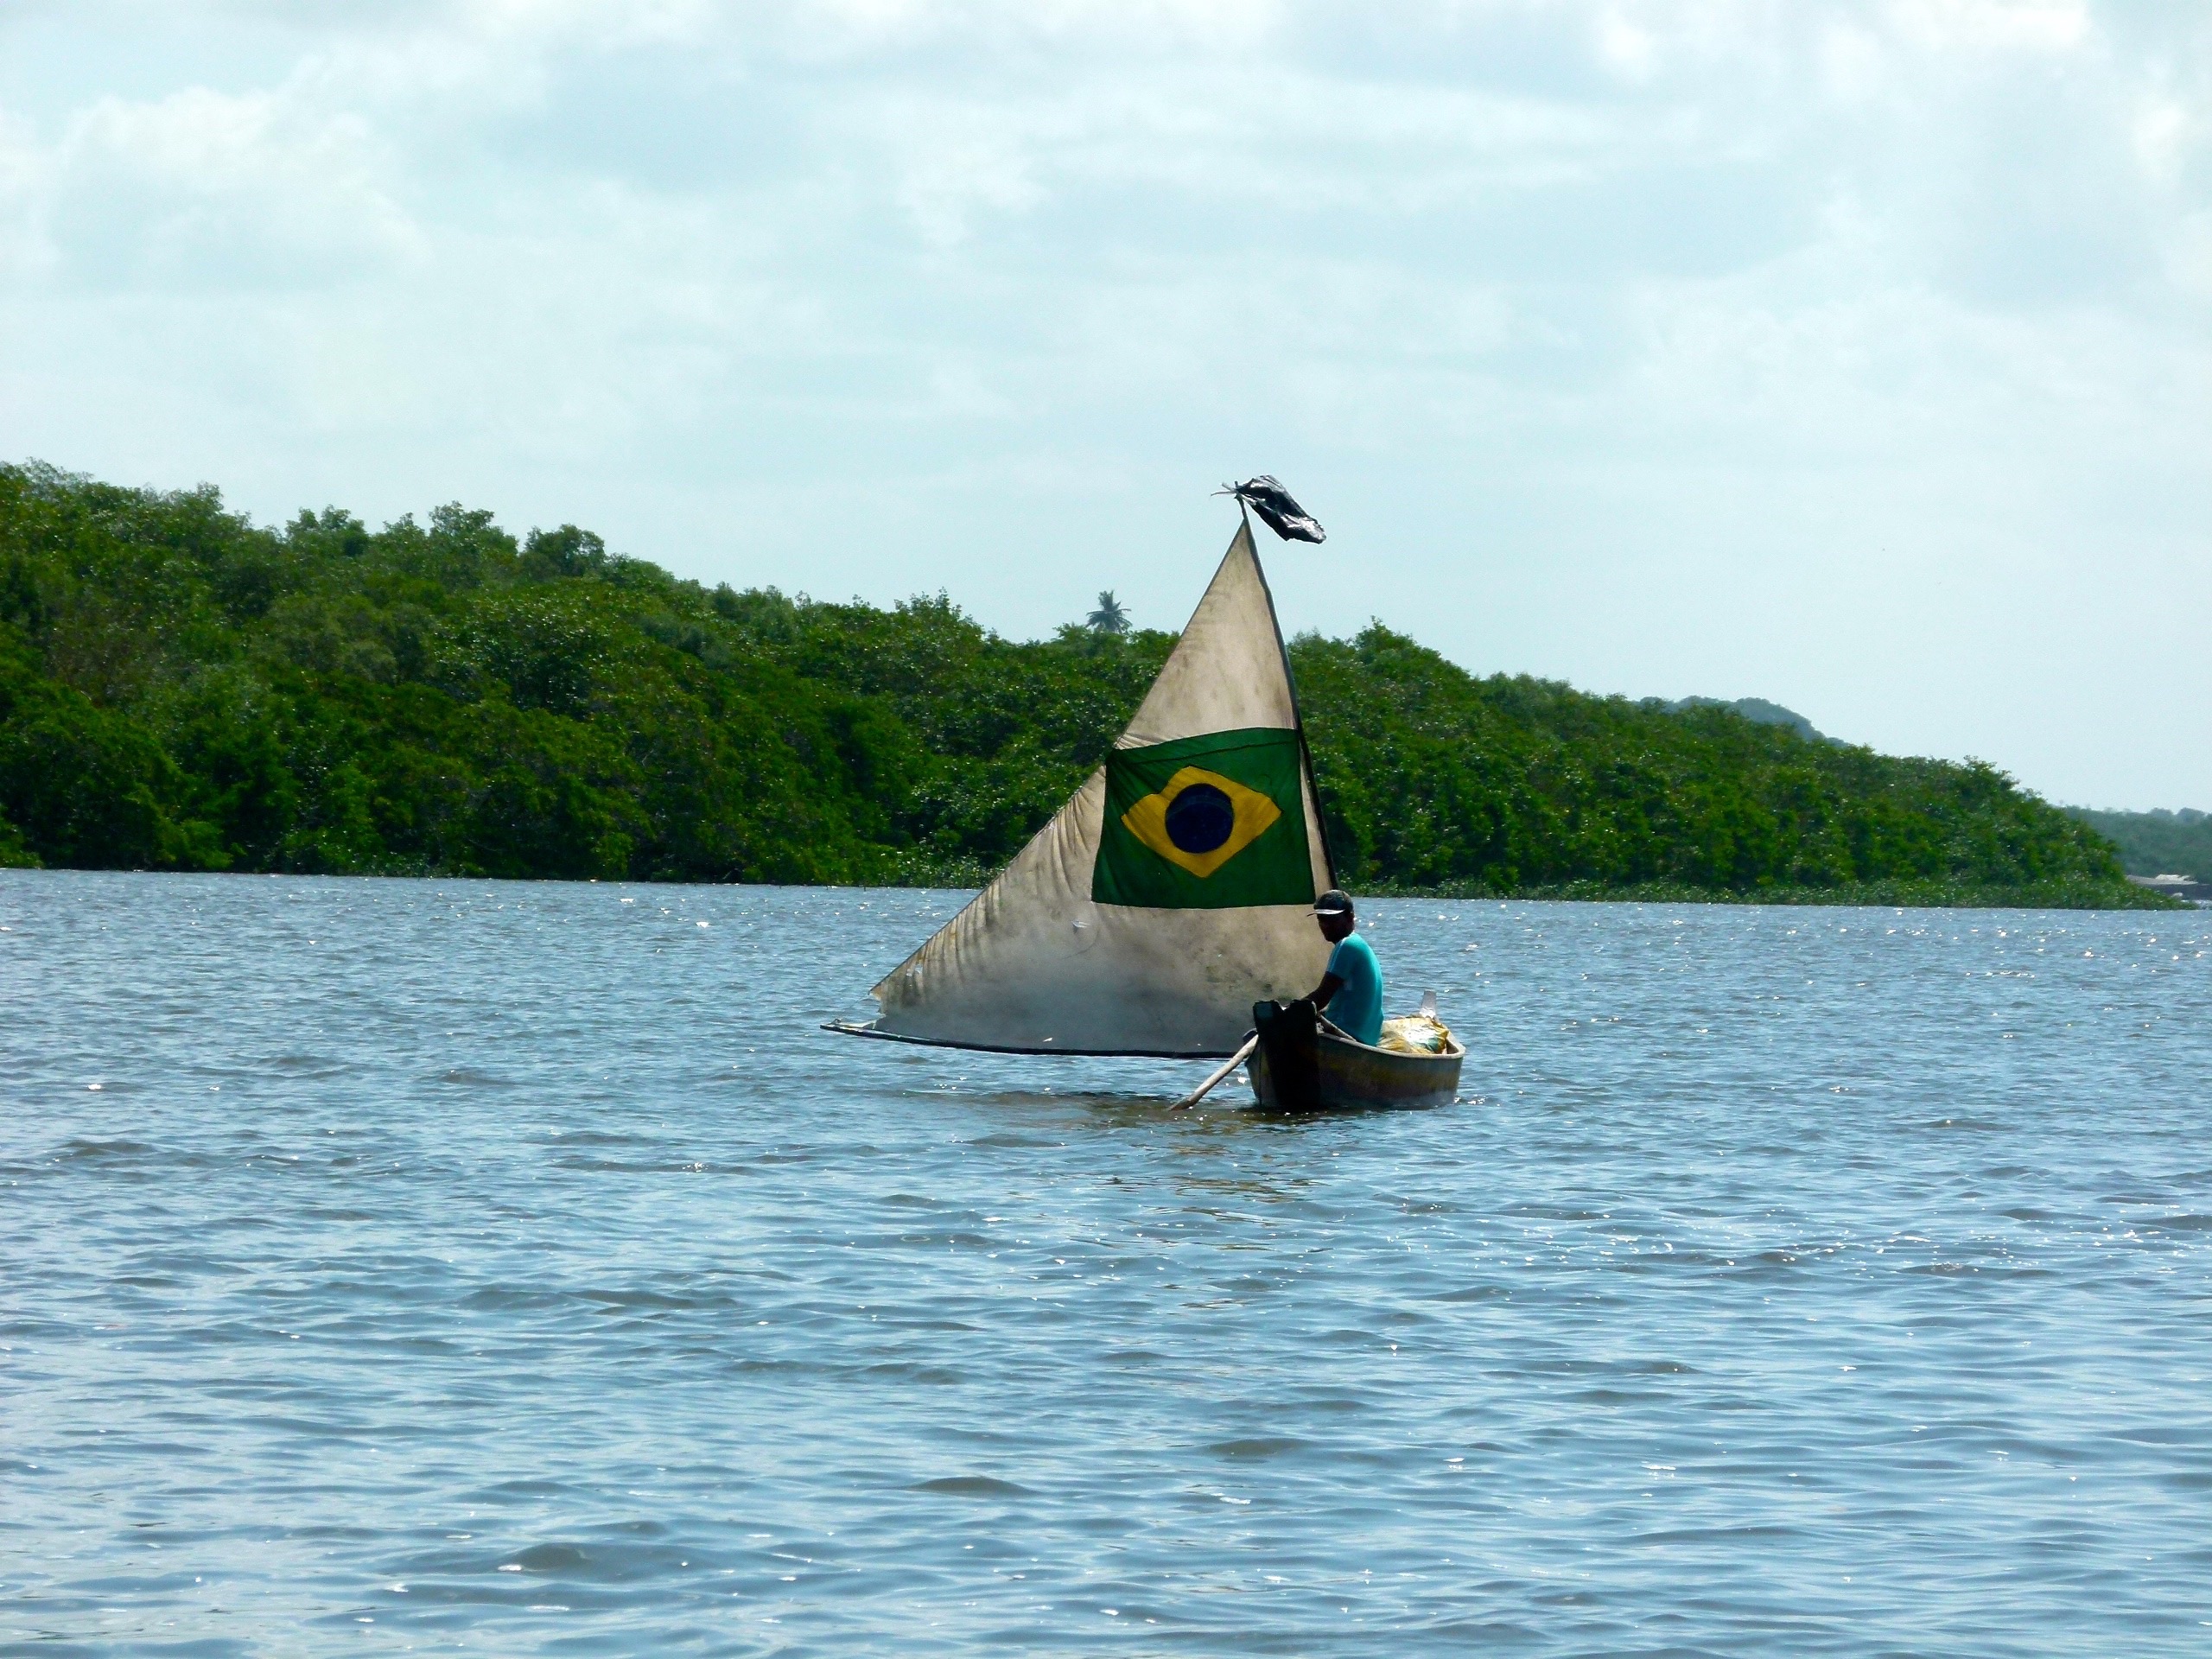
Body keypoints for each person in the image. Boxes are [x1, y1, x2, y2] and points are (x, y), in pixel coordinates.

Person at [1302, 887, 1382, 1046]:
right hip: (1366, 1039)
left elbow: (1321, 998)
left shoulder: (1346, 945)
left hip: (1348, 1038)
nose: (1325, 925)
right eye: (1321, 919)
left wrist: (1284, 1012)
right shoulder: (1359, 944)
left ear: (1350, 917)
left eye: (1332, 919)